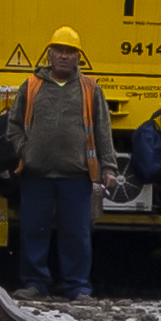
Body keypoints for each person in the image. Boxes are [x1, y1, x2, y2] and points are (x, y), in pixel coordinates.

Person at [12, 30, 105, 298]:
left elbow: (103, 131)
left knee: (76, 234)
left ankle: (77, 286)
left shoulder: (90, 88)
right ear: (49, 54)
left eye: (70, 51)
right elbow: (14, 125)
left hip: (76, 176)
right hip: (36, 174)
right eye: (59, 50)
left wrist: (108, 168)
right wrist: (25, 151)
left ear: (78, 57)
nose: (64, 56)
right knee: (33, 231)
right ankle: (34, 283)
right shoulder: (31, 86)